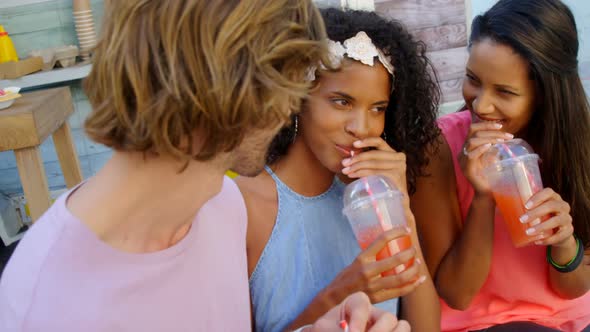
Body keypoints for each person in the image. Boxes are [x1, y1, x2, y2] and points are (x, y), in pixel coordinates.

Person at [0, 1, 409, 331]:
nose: (289, 108)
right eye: (287, 81)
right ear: (232, 84)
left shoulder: (223, 205)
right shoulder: (46, 308)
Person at [237, 8, 441, 332]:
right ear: (296, 97)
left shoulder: (374, 201)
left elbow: (426, 328)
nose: (362, 127)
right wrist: (342, 292)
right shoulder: (243, 207)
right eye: (341, 101)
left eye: (378, 109)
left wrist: (401, 210)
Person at [411, 0, 590, 331]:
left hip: (564, 322)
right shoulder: (437, 147)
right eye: (472, 79)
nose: (481, 104)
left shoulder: (577, 147)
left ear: (546, 94)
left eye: (505, 92)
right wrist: (483, 197)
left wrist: (564, 243)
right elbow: (457, 294)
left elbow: (575, 288)